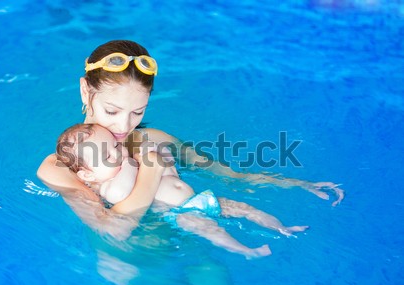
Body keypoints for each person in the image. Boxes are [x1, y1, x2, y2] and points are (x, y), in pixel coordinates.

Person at [37, 40, 344, 240]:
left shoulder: (153, 140)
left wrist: (297, 185)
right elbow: (113, 229)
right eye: (112, 110)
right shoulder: (61, 167)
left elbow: (230, 176)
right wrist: (151, 172)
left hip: (197, 241)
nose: (124, 125)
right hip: (131, 264)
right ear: (86, 92)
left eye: (137, 112)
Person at [56, 123, 310, 258]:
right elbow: (129, 199)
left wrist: (159, 158)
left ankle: (281, 228)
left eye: (115, 145)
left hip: (200, 198)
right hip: (180, 212)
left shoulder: (127, 159)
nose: (118, 152)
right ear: (88, 174)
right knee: (210, 229)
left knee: (245, 208)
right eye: (107, 153)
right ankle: (244, 251)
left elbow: (157, 165)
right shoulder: (107, 185)